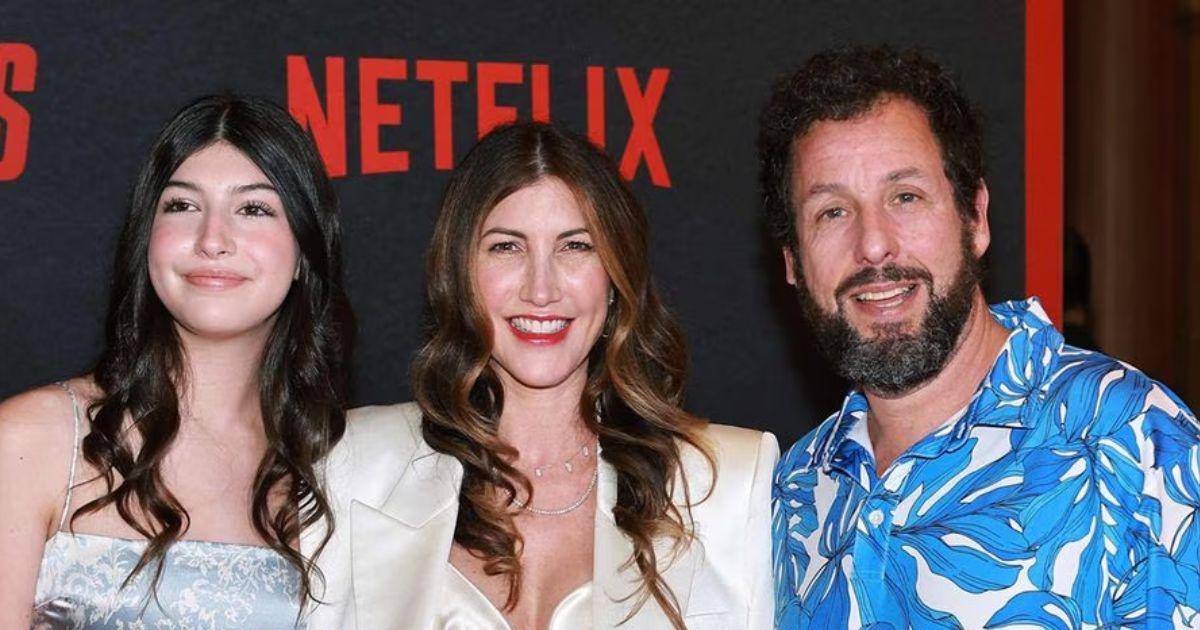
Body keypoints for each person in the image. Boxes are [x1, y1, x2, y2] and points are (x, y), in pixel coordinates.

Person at [761, 46, 1200, 629]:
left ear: (976, 219)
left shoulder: (1130, 438)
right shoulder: (795, 490)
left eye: (905, 197)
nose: (873, 245)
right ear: (793, 261)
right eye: (832, 212)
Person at [304, 120, 777, 630]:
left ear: (616, 276)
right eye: (507, 247)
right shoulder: (354, 464)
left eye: (576, 246)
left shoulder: (725, 482)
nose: (541, 289)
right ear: (460, 274)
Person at [0, 94, 354, 628]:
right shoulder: (33, 441)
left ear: (305, 252)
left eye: (254, 209)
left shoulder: (340, 470)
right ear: (147, 238)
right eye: (183, 206)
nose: (213, 240)